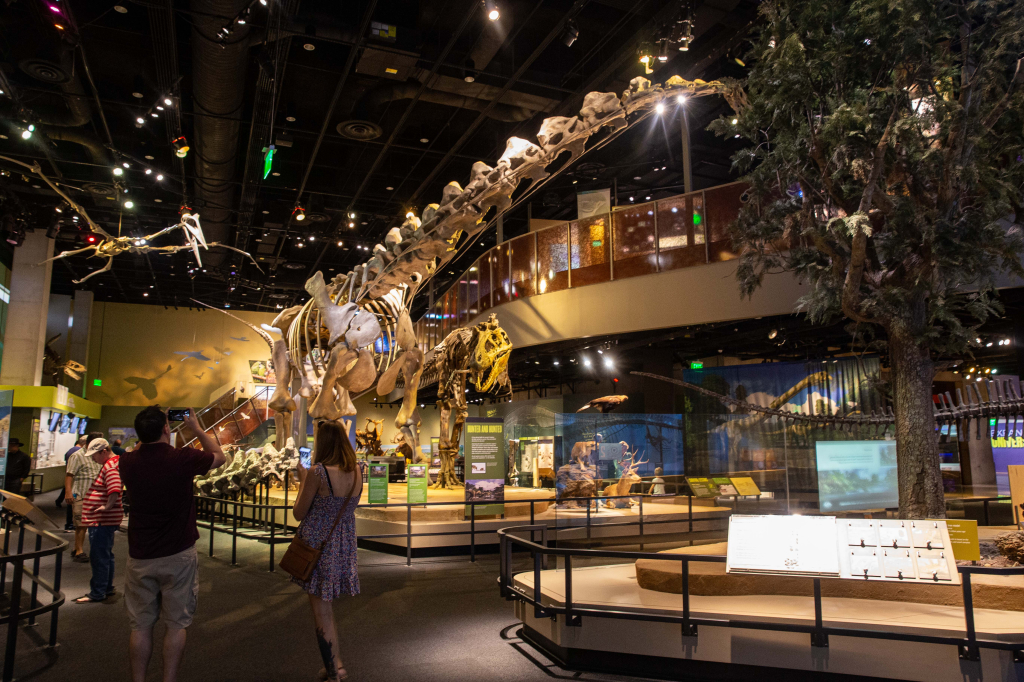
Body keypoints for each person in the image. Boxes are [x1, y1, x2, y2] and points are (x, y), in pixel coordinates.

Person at [118, 407, 223, 682]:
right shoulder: (182, 458)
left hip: (140, 554)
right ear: (167, 429)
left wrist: (153, 426)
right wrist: (197, 428)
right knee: (176, 625)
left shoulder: (127, 462)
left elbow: (143, 446)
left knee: (140, 626)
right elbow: (220, 456)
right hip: (178, 554)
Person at [292, 421, 363, 682]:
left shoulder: (318, 473)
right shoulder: (357, 471)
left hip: (318, 547)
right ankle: (336, 664)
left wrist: (302, 481)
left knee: (321, 612)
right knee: (327, 608)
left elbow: (299, 512)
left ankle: (335, 671)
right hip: (343, 546)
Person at [74, 439, 122, 603]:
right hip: (105, 520)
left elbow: (114, 488)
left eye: (94, 455)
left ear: (103, 451)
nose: (92, 459)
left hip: (102, 520)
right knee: (106, 554)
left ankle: (97, 592)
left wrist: (106, 507)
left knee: (99, 555)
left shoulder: (109, 466)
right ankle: (106, 588)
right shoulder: (114, 463)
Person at [65, 438, 105, 562]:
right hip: (81, 494)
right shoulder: (76, 456)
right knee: (81, 524)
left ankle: (76, 547)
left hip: (96, 495)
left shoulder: (98, 455)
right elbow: (69, 474)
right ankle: (79, 551)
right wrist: (68, 492)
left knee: (89, 524)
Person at [56, 435, 88, 510]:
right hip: (75, 476)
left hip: (71, 473)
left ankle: (58, 501)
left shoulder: (70, 450)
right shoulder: (78, 452)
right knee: (71, 495)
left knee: (67, 490)